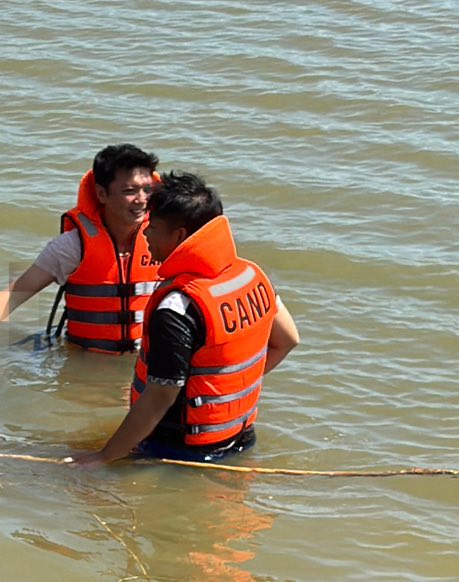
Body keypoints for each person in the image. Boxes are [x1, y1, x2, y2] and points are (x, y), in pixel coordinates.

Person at [87, 171, 300, 464]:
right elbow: (288, 340)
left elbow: (159, 398)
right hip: (240, 440)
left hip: (177, 454)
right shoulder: (251, 275)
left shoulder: (177, 309)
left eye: (152, 227)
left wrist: (103, 458)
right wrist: (224, 399)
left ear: (180, 236)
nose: (144, 234)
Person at [0, 144, 161, 352]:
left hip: (150, 365)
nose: (142, 199)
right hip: (86, 363)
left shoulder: (169, 240)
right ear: (101, 194)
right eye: (129, 191)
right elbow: (11, 297)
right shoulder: (72, 246)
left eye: (148, 190)